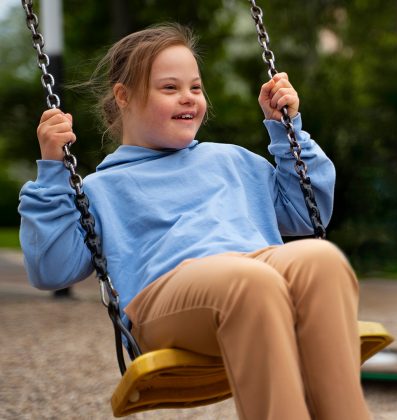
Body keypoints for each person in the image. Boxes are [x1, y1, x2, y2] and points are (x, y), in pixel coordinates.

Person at [18, 23, 371, 420]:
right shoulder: (100, 190)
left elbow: (310, 213)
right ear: (124, 96)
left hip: (256, 272)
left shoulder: (233, 161)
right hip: (166, 299)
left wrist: (286, 128)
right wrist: (52, 169)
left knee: (320, 259)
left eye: (196, 88)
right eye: (169, 88)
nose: (188, 98)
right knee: (251, 281)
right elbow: (50, 268)